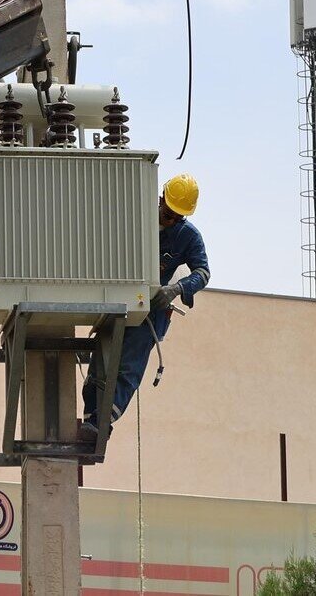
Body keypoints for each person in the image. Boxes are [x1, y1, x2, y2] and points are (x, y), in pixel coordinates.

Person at [79, 173, 210, 443]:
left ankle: (102, 422)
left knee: (127, 368)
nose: (171, 219)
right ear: (161, 199)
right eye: (169, 212)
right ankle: (91, 419)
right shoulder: (137, 215)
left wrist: (178, 288)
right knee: (99, 367)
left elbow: (203, 272)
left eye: (177, 217)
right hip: (117, 301)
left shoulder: (187, 236)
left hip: (151, 312)